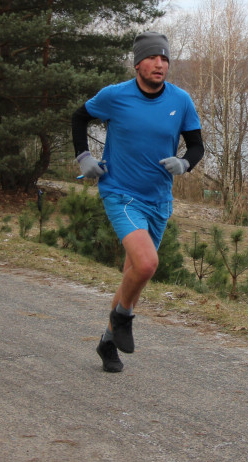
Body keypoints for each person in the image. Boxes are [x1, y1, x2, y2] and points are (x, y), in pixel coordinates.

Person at [71, 31, 203, 372]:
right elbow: (78, 117)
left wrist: (185, 163)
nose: (160, 64)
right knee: (146, 265)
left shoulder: (181, 100)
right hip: (120, 193)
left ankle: (107, 340)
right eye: (152, 58)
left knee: (134, 272)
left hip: (158, 200)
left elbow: (196, 145)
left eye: (165, 58)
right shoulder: (115, 96)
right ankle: (125, 317)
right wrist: (84, 157)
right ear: (137, 63)